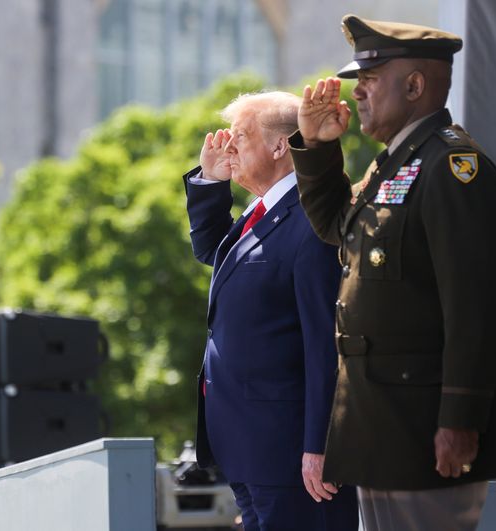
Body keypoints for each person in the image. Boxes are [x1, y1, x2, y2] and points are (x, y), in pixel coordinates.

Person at [289, 15, 496, 531]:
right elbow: (337, 226)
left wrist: (460, 418)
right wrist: (318, 146)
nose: (357, 95)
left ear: (415, 85)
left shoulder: (454, 168)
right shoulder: (392, 168)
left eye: (370, 81)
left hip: (426, 426)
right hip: (381, 420)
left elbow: (476, 305)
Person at [183, 91, 358, 531]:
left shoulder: (310, 218)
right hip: (248, 445)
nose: (229, 147)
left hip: (291, 452)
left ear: (281, 146)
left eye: (240, 136)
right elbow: (214, 252)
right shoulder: (262, 211)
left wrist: (320, 445)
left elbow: (325, 344)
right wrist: (209, 180)